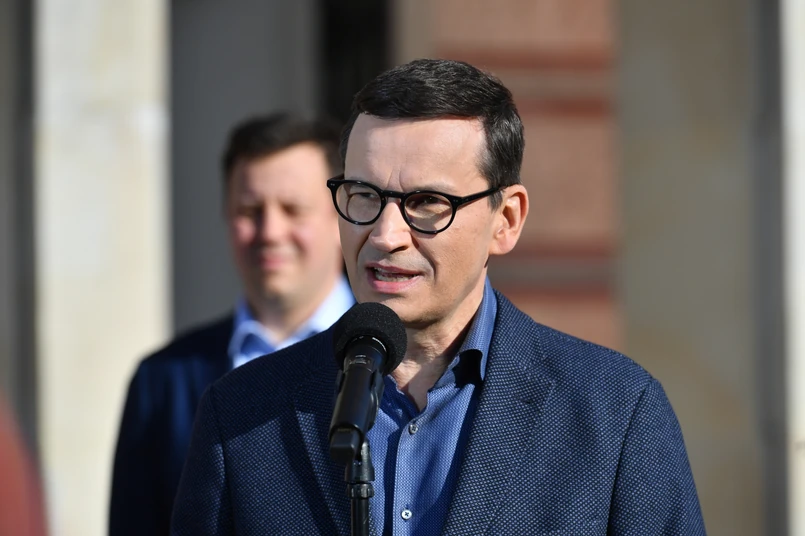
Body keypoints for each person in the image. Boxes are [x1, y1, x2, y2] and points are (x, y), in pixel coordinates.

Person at [171, 59, 706, 535]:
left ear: (506, 219)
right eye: (364, 195)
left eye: (427, 202)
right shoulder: (239, 414)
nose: (385, 235)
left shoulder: (615, 411)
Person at [109, 113, 355, 536]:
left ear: (342, 218)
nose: (270, 232)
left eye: (293, 209)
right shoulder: (163, 382)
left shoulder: (402, 361)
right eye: (249, 210)